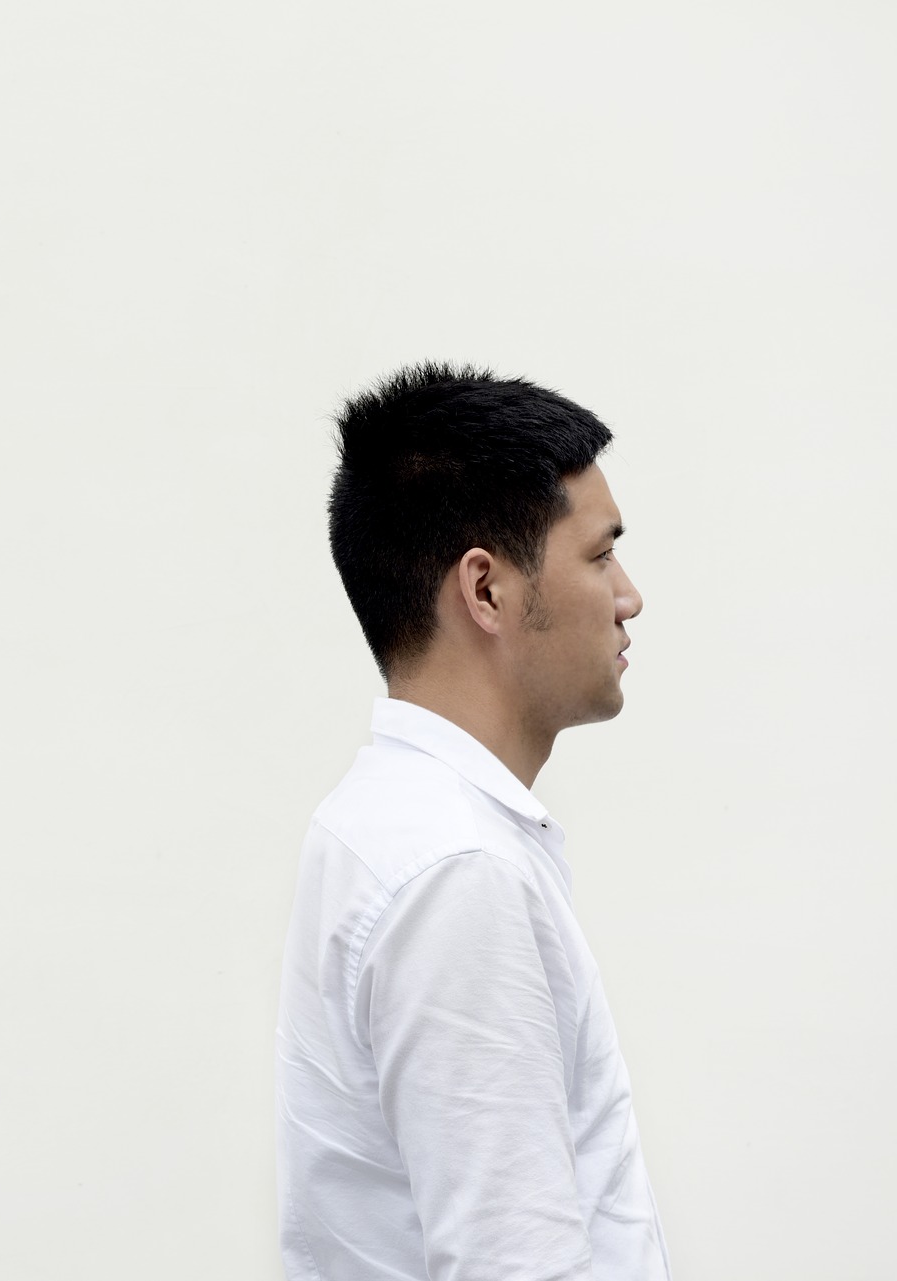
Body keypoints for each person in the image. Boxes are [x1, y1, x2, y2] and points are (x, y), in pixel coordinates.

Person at [276, 364, 670, 1279]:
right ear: (486, 590)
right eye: (600, 553)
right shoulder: (454, 868)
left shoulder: (387, 823)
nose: (628, 595)